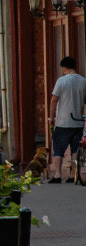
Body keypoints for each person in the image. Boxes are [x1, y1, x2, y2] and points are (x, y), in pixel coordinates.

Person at [49, 56, 86, 184]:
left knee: (59, 148)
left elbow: (54, 100)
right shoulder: (83, 81)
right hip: (78, 121)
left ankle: (58, 175)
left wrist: (51, 117)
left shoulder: (61, 81)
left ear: (64, 68)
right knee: (76, 149)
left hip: (63, 121)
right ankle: (73, 174)